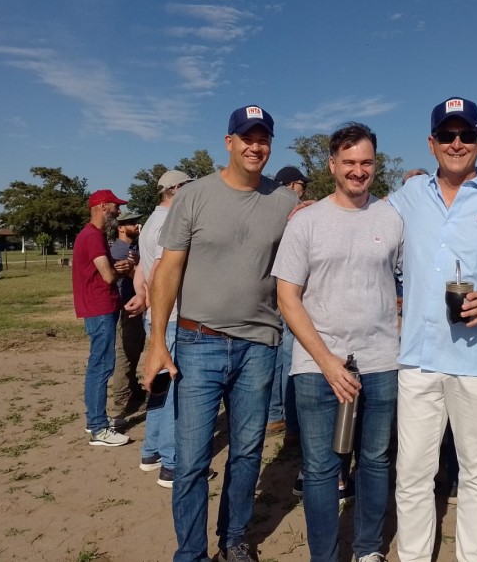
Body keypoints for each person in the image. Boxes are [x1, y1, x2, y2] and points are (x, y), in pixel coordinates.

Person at [143, 105, 298, 562]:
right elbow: (167, 271)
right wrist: (156, 344)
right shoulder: (194, 197)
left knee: (247, 454)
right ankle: (191, 552)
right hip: (199, 341)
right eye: (247, 137)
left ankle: (234, 541)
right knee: (191, 460)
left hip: (259, 346)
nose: (256, 146)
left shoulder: (284, 202)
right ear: (228, 142)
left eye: (264, 138)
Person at [388, 96, 477, 562]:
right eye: (447, 135)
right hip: (417, 359)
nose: (457, 143)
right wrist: (308, 209)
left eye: (466, 134)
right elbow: (359, 217)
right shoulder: (407, 197)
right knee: (412, 474)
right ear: (431, 144)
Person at [273, 122, 402, 562]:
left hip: (382, 360)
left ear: (375, 165)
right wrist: (327, 361)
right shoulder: (306, 221)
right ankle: (324, 555)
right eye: (349, 162)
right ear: (332, 165)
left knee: (376, 461)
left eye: (365, 162)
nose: (358, 170)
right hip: (317, 367)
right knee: (322, 469)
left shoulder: (391, 217)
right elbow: (287, 297)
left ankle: (368, 549)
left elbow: (406, 281)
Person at [127, 170, 194, 488]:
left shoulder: (150, 222)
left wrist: (144, 297)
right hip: (171, 316)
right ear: (176, 190)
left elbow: (142, 267)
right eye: (189, 188)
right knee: (174, 391)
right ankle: (171, 463)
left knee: (159, 386)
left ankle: (151, 451)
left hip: (156, 316)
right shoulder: (170, 223)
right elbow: (159, 272)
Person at [72, 189, 134, 447]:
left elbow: (104, 270)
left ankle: (94, 420)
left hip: (98, 307)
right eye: (115, 206)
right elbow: (107, 277)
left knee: (98, 364)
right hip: (100, 308)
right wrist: (120, 271)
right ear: (101, 206)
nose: (118, 212)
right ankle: (99, 427)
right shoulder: (93, 236)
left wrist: (115, 267)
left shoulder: (92, 236)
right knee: (102, 365)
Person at [267, 165, 312, 437]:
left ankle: (274, 414)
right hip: (292, 289)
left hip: (274, 288)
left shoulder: (267, 207)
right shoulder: (293, 209)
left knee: (279, 354)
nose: (302, 190)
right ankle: (291, 421)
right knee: (291, 354)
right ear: (292, 185)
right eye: (301, 185)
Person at [110, 209, 145, 419]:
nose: (136, 225)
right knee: (126, 354)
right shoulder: (119, 251)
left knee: (134, 352)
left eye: (137, 221)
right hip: (128, 308)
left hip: (136, 307)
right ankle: (121, 402)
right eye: (131, 222)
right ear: (120, 227)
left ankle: (133, 393)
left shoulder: (134, 248)